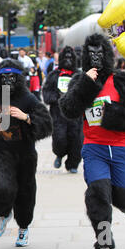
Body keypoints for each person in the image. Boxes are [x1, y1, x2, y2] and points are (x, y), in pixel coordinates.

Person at [59, 34, 125, 249]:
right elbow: (68, 110)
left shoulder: (122, 79)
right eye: (91, 53)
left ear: (107, 54)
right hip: (93, 147)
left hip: (120, 147)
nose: (96, 57)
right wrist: (86, 85)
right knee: (98, 193)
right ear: (85, 56)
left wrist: (111, 115)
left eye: (100, 52)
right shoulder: (81, 80)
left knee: (122, 196)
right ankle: (104, 240)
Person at [0, 59, 52, 247]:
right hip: (1, 151)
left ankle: (23, 229)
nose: (8, 80)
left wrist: (27, 117)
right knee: (1, 187)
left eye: (12, 76)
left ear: (18, 78)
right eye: (4, 77)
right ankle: (4, 213)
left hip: (25, 154)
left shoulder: (29, 99)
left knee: (25, 192)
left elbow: (47, 124)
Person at [42, 46, 83, 174]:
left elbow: (85, 92)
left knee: (76, 139)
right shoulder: (54, 75)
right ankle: (59, 154)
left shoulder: (79, 75)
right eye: (66, 58)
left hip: (75, 113)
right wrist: (56, 97)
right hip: (58, 113)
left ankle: (73, 164)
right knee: (60, 137)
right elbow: (46, 93)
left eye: (71, 58)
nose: (68, 60)